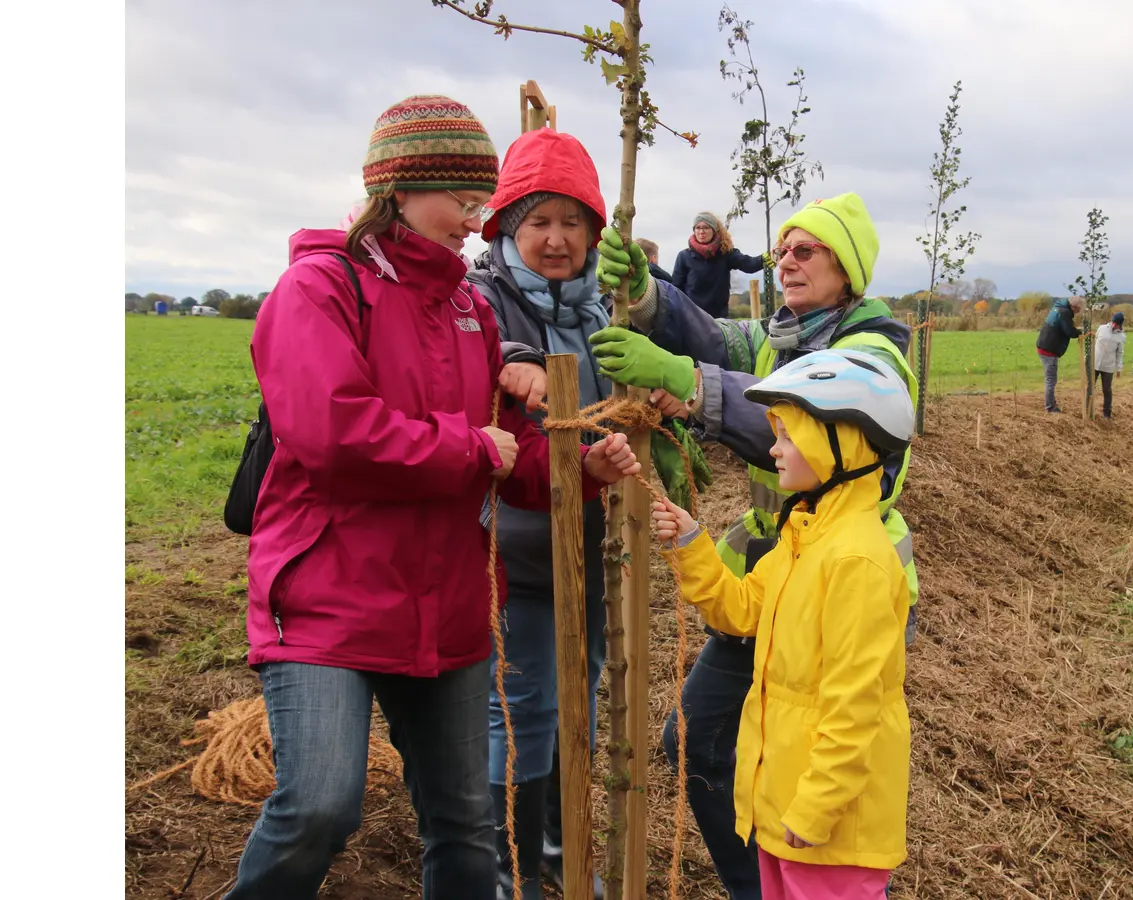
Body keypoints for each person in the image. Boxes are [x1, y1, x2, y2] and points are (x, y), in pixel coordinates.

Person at [227, 95, 639, 900]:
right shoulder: (318, 288)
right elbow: (333, 433)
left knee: (463, 825)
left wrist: (578, 471)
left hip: (447, 604)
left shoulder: (463, 309)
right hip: (327, 601)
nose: (473, 217)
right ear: (404, 189)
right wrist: (471, 448)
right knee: (317, 806)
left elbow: (502, 451)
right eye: (464, 198)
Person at [587, 192, 918, 900]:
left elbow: (780, 394)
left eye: (806, 252)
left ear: (848, 269)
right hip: (782, 564)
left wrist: (689, 383)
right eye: (782, 252)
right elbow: (719, 342)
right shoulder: (789, 330)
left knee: (803, 731)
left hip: (836, 582)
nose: (786, 263)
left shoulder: (871, 353)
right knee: (703, 740)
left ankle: (802, 858)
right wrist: (648, 295)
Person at [466, 126, 676, 899]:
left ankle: (561, 843)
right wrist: (511, 364)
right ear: (508, 228)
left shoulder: (602, 312)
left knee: (581, 687)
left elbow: (624, 393)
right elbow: (468, 355)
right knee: (521, 701)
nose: (556, 240)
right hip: (513, 542)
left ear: (594, 230)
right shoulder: (480, 299)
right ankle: (503, 858)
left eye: (572, 222)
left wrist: (647, 398)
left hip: (595, 540)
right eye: (538, 222)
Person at [649, 348, 914, 899]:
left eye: (788, 436)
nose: (773, 449)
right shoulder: (804, 536)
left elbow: (854, 705)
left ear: (837, 445)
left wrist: (817, 808)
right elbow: (741, 609)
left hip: (828, 829)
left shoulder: (855, 561)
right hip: (784, 807)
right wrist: (692, 545)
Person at [670, 211, 772, 318]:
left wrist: (765, 258)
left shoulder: (726, 253)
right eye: (698, 228)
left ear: (714, 230)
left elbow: (749, 265)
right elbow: (676, 290)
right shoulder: (684, 257)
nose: (701, 231)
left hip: (719, 320)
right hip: (692, 319)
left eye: (706, 227)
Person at [1034, 296, 1083, 413]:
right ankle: (1050, 407)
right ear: (1074, 307)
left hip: (1044, 346)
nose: (1077, 313)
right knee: (1050, 380)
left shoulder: (1059, 308)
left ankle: (1051, 402)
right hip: (1049, 349)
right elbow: (1070, 331)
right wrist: (1080, 332)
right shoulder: (1064, 312)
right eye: (1078, 310)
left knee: (1050, 379)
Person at [1093, 311, 1126, 419]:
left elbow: (1120, 353)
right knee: (1090, 387)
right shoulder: (1101, 328)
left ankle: (1107, 414)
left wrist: (1119, 368)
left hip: (1108, 367)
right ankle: (1088, 410)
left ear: (1120, 325)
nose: (1113, 325)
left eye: (1115, 323)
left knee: (1106, 390)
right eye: (1112, 322)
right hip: (1095, 364)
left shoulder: (1121, 337)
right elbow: (1094, 343)